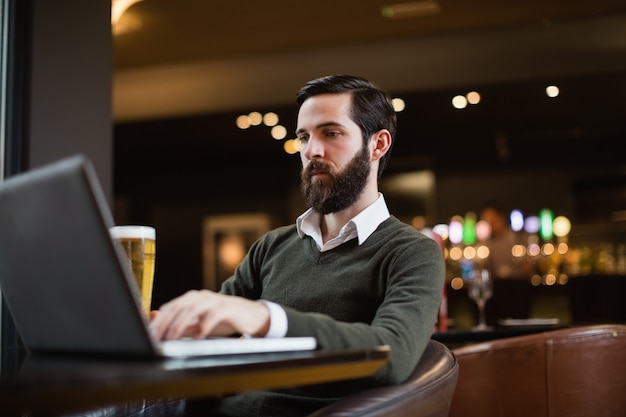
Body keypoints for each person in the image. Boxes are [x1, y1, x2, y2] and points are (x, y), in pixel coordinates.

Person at [149, 74, 445, 417]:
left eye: (331, 133)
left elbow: (392, 355)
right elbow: (212, 338)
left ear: (378, 144)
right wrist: (163, 329)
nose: (311, 151)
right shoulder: (271, 247)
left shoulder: (412, 252)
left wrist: (265, 318)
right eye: (304, 136)